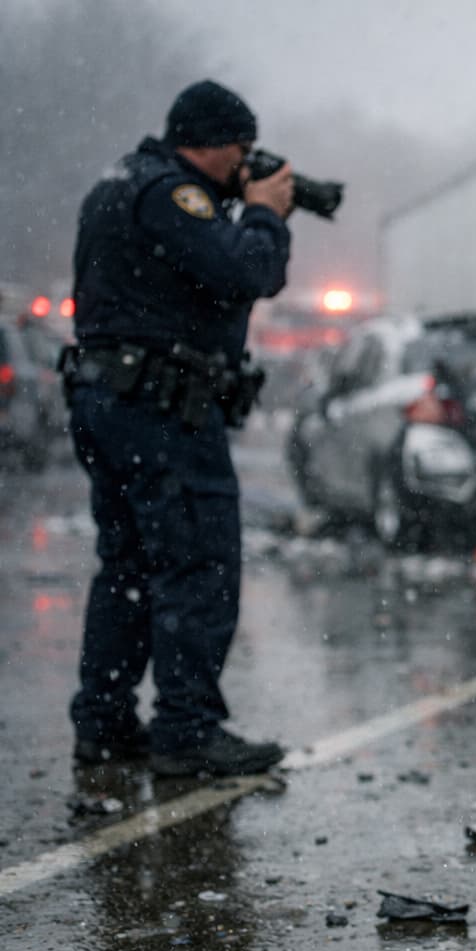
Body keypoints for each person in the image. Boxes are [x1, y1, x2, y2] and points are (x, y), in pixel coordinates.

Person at [64, 80, 293, 777]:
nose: (243, 166)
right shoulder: (173, 195)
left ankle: (104, 723)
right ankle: (188, 730)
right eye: (241, 151)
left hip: (110, 400)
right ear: (217, 142)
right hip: (162, 407)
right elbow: (247, 272)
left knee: (129, 569)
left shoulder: (119, 182)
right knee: (196, 565)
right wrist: (263, 214)